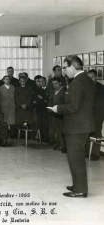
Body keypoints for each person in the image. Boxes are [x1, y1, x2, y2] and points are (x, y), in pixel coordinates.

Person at [49, 55, 95, 198]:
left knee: (76, 158)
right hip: (83, 124)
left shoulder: (76, 82)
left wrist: (58, 109)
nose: (64, 71)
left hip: (76, 126)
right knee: (76, 157)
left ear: (73, 67)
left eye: (65, 68)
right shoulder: (87, 80)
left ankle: (80, 189)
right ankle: (77, 184)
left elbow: (74, 106)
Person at [86, 69, 104, 160]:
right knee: (88, 133)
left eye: (92, 77)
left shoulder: (101, 88)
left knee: (97, 134)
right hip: (88, 115)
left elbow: (99, 103)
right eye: (88, 78)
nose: (90, 79)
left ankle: (95, 154)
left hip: (97, 115)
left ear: (96, 77)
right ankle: (88, 151)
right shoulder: (86, 88)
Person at [49, 77, 66, 152]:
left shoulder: (64, 91)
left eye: (56, 83)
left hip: (61, 113)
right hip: (54, 113)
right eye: (53, 84)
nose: (54, 85)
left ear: (60, 83)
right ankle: (58, 143)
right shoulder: (53, 91)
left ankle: (63, 146)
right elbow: (51, 100)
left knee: (62, 130)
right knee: (56, 129)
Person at [0, 75, 16, 140]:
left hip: (12, 107)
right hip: (4, 108)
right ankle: (4, 137)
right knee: (5, 122)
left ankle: (11, 136)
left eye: (8, 79)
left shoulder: (13, 88)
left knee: (11, 122)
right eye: (6, 79)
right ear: (3, 80)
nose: (7, 80)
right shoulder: (0, 89)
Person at [33, 77, 49, 143]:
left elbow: (48, 99)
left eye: (43, 81)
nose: (41, 83)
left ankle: (46, 138)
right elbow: (35, 99)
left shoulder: (49, 89)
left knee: (46, 124)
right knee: (39, 123)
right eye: (40, 81)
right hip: (39, 109)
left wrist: (41, 98)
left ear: (46, 81)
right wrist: (43, 99)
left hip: (46, 110)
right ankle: (40, 137)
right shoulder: (37, 90)